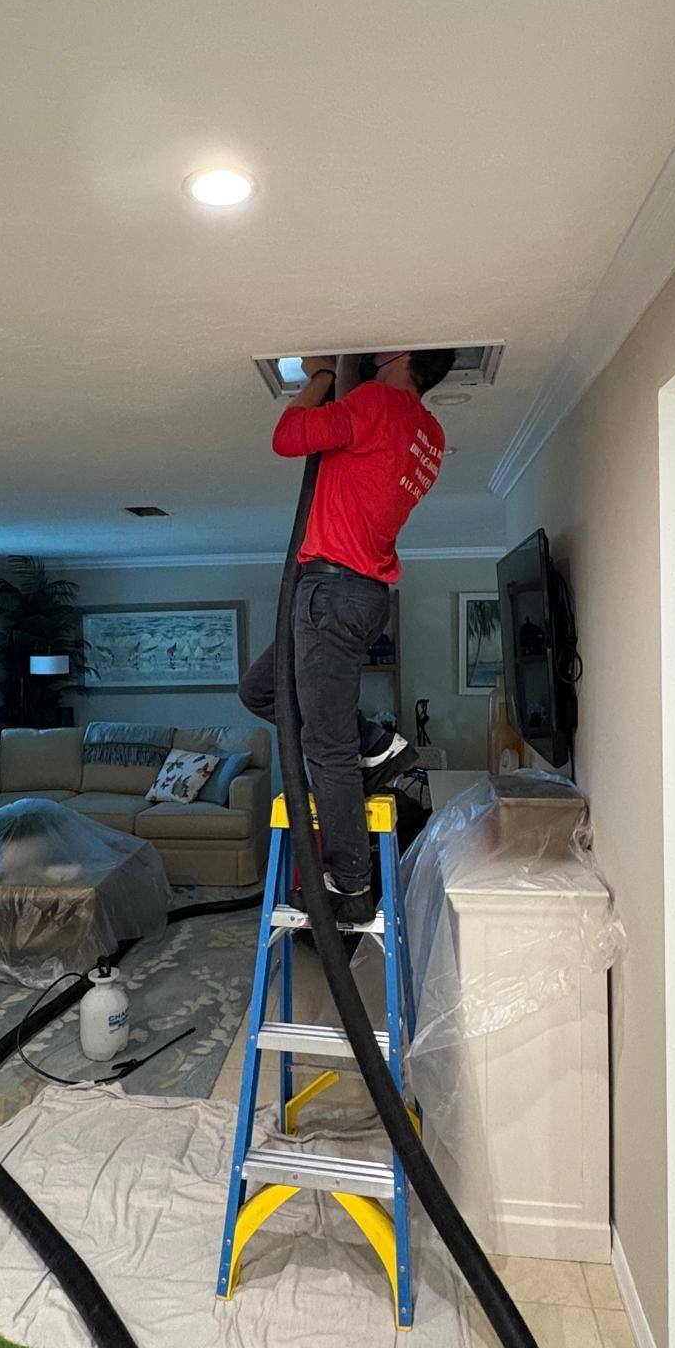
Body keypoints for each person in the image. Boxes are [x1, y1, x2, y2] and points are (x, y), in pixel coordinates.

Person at [238, 349, 454, 923]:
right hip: (354, 594)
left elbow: (289, 435)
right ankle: (376, 743)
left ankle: (350, 885)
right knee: (261, 691)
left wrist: (323, 375)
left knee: (326, 748)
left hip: (332, 593)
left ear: (401, 357)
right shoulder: (428, 432)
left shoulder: (379, 402)